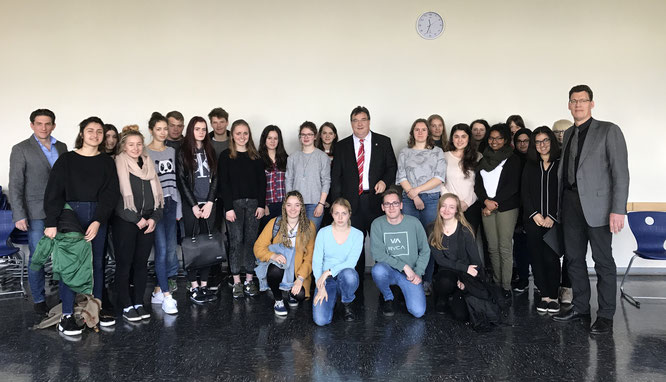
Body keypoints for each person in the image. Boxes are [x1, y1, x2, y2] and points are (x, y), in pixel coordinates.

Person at [552, 85, 629, 335]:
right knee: (573, 260)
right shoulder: (570, 134)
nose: (578, 105)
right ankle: (580, 308)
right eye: (573, 101)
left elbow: (620, 174)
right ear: (568, 105)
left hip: (599, 207)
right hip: (570, 205)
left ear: (592, 104)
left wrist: (618, 209)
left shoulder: (608, 130)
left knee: (602, 261)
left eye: (583, 100)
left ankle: (606, 315)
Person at [43, 116, 119, 335]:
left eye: (99, 131)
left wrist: (98, 220)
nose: (95, 135)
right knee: (71, 267)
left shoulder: (106, 161)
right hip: (70, 216)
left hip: (97, 216)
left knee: (96, 265)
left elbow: (110, 193)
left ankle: (95, 310)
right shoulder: (66, 159)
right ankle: (67, 315)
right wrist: (51, 222)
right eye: (90, 130)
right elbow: (54, 192)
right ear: (82, 133)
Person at [9, 109, 68, 316]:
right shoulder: (21, 149)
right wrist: (19, 214)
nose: (44, 127)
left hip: (61, 210)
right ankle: (39, 299)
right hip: (35, 213)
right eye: (39, 123)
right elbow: (15, 184)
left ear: (53, 125)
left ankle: (65, 295)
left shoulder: (62, 147)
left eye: (48, 123)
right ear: (32, 125)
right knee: (37, 257)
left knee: (63, 255)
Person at [330, 106, 397, 287]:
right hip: (351, 204)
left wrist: (384, 181)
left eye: (363, 119)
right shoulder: (341, 146)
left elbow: (392, 167)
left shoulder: (383, 141)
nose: (359, 124)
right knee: (355, 247)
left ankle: (385, 287)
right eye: (355, 120)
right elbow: (336, 176)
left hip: (375, 200)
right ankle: (355, 288)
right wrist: (338, 204)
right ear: (351, 123)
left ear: (369, 121)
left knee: (381, 246)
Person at [113, 130, 164, 321]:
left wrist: (154, 218)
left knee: (141, 265)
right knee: (125, 264)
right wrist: (136, 219)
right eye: (131, 144)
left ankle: (138, 302)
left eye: (139, 144)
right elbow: (117, 199)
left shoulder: (148, 163)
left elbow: (158, 196)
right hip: (126, 222)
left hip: (148, 221)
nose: (136, 148)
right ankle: (126, 305)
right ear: (124, 146)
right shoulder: (118, 163)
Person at [396, 118, 446, 294]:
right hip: (409, 200)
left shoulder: (437, 152)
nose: (420, 132)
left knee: (429, 241)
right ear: (412, 132)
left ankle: (426, 280)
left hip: (431, 199)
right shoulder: (404, 152)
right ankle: (410, 278)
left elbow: (439, 177)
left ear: (428, 132)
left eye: (423, 129)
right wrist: (414, 195)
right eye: (416, 129)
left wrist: (417, 191)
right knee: (410, 241)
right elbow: (401, 176)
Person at [218, 119, 266, 299]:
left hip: (254, 204)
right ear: (233, 135)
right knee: (236, 240)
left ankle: (249, 279)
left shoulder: (256, 156)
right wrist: (228, 208)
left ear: (249, 135)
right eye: (238, 133)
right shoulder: (226, 156)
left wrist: (261, 204)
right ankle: (237, 280)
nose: (242, 136)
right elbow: (224, 184)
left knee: (251, 241)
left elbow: (262, 183)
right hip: (234, 206)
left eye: (245, 133)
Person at [474, 124, 521, 297]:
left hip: (506, 207)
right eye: (492, 138)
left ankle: (506, 286)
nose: (494, 141)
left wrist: (494, 203)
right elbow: (478, 184)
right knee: (492, 247)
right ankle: (496, 282)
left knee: (504, 246)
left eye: (499, 138)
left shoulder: (513, 159)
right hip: (486, 207)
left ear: (506, 140)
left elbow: (513, 186)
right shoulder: (483, 158)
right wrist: (485, 201)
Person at [175, 116, 219, 304]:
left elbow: (216, 177)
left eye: (203, 129)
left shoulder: (210, 150)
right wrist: (194, 204)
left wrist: (209, 202)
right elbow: (182, 180)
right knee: (192, 245)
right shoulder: (182, 151)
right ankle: (194, 287)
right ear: (191, 130)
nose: (201, 132)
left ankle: (204, 285)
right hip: (191, 206)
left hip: (209, 204)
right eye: (197, 128)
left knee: (208, 245)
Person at [254, 191, 315, 315]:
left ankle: (291, 290)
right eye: (289, 205)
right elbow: (258, 247)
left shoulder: (309, 226)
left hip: (297, 272)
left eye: (297, 205)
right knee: (275, 271)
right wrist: (272, 255)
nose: (293, 209)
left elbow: (310, 257)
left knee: (300, 296)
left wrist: (300, 279)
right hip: (279, 268)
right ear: (284, 207)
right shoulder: (275, 223)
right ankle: (278, 299)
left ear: (302, 207)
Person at [370, 188, 430, 318]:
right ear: (382, 207)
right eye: (387, 204)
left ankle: (405, 291)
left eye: (395, 203)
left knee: (418, 312)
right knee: (377, 270)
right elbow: (378, 254)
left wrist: (418, 272)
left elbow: (425, 250)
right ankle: (388, 297)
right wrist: (404, 266)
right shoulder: (377, 224)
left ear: (401, 205)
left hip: (410, 274)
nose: (391, 207)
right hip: (389, 271)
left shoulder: (414, 223)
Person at [522, 126, 561, 314]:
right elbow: (525, 193)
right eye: (537, 142)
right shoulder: (530, 165)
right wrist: (535, 214)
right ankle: (544, 295)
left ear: (551, 142)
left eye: (545, 140)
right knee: (536, 258)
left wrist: (552, 216)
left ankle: (554, 296)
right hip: (534, 220)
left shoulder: (560, 164)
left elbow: (563, 193)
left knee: (551, 259)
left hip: (554, 222)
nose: (542, 145)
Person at [146, 112, 181, 314]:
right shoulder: (144, 152)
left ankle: (160, 290)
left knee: (169, 248)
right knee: (159, 249)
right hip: (154, 206)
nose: (163, 132)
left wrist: (176, 207)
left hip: (170, 203)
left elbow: (174, 179)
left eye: (165, 129)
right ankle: (166, 294)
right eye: (158, 129)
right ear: (151, 130)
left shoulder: (171, 151)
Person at [428, 193, 483, 320]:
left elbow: (476, 261)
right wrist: (463, 268)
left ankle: (458, 292)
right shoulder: (432, 229)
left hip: (467, 273)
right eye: (444, 206)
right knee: (444, 282)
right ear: (439, 208)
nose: (446, 210)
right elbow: (441, 260)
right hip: (447, 271)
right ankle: (443, 297)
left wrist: (465, 280)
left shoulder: (465, 230)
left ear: (457, 210)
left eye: (451, 207)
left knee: (461, 315)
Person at [312, 198, 363, 325]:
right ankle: (331, 298)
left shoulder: (357, 234)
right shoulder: (323, 233)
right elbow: (317, 261)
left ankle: (347, 301)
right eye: (336, 213)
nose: (340, 217)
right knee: (321, 320)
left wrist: (328, 272)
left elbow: (351, 263)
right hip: (326, 280)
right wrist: (320, 285)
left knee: (349, 275)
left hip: (344, 277)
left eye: (344, 213)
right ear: (332, 214)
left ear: (349, 214)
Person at [286, 121, 331, 230]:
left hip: (315, 204)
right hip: (296, 205)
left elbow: (326, 181)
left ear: (315, 136)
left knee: (310, 237)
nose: (306, 137)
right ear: (300, 137)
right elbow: (288, 181)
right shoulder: (292, 157)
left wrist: (321, 204)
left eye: (309, 134)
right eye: (303, 134)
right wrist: (289, 203)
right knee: (295, 236)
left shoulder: (322, 157)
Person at [441, 123, 482, 236]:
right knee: (450, 240)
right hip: (449, 207)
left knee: (469, 240)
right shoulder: (443, 156)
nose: (459, 140)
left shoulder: (478, 157)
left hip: (471, 206)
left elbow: (480, 184)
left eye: (463, 136)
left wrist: (467, 202)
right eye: (456, 136)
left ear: (469, 139)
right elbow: (440, 182)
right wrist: (453, 203)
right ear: (452, 138)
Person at [551, 118, 573, 304]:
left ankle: (566, 287)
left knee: (570, 251)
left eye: (564, 131)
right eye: (557, 131)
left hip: (570, 208)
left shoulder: (575, 151)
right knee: (551, 249)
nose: (560, 134)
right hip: (549, 210)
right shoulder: (547, 153)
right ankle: (551, 287)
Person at [511, 127, 532, 294]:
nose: (523, 144)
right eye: (519, 141)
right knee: (520, 248)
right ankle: (523, 279)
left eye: (526, 141)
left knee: (538, 249)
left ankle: (541, 282)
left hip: (535, 210)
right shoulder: (512, 160)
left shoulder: (538, 158)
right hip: (517, 210)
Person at [258, 125, 288, 232]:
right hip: (267, 206)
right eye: (269, 138)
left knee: (281, 237)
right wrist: (263, 204)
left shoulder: (286, 159)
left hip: (283, 205)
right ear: (264, 139)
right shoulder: (257, 159)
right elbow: (256, 185)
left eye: (275, 138)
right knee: (266, 236)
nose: (272, 141)